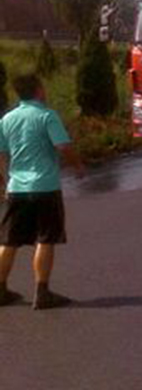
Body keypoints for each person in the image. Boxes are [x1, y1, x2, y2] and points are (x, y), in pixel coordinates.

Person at [0, 73, 84, 310]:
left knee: (9, 240)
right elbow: (63, 146)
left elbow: (1, 154)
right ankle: (42, 292)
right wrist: (77, 165)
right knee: (46, 238)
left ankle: (0, 288)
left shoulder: (7, 119)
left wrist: (6, 181)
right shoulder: (47, 116)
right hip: (45, 187)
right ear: (38, 89)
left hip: (16, 187)